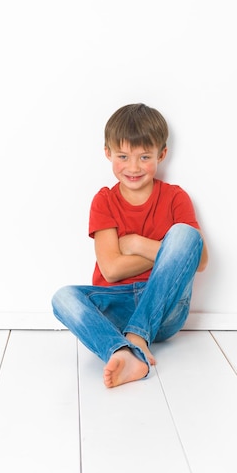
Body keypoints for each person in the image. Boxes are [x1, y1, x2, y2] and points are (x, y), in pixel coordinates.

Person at [52, 103, 208, 388]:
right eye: (123, 156)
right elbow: (111, 269)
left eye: (144, 157)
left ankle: (137, 335)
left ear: (161, 154)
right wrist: (169, 255)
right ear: (108, 153)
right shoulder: (104, 201)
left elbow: (198, 258)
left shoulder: (175, 197)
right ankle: (124, 353)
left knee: (185, 235)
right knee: (63, 297)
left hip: (165, 307)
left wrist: (135, 243)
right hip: (117, 306)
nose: (133, 167)